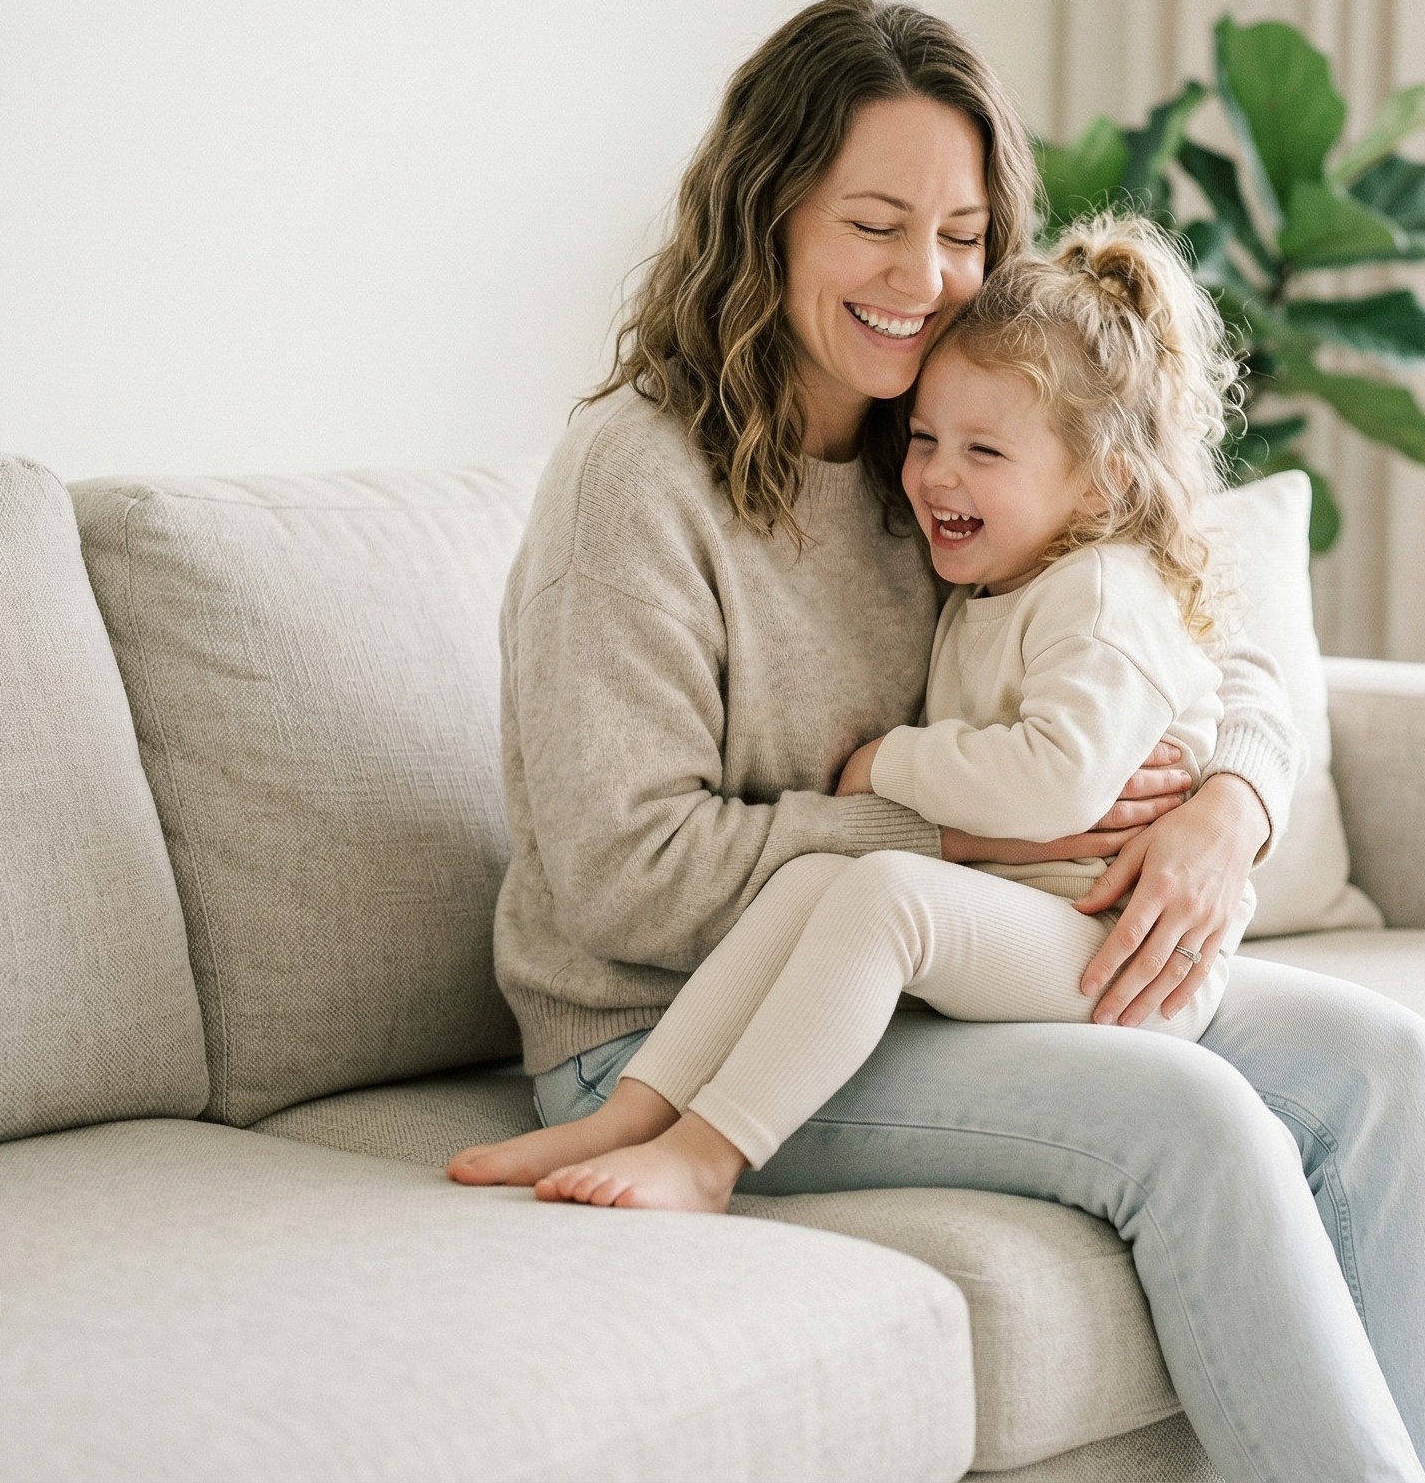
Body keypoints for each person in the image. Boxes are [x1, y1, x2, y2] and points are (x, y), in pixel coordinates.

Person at [447, 0, 1425, 1483]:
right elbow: (625, 875)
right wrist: (959, 834)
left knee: (1387, 1071)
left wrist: (1227, 808)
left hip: (944, 975)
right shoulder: (638, 479)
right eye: (876, 224)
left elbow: (1207, 617)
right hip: (674, 1037)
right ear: (769, 217)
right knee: (1190, 1123)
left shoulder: (956, 433)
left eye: (961, 234)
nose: (926, 278)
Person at [493, 214, 1261, 1213]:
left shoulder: (1102, 594)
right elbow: (631, 869)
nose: (937, 473)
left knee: (884, 893)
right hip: (1046, 921)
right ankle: (637, 1107)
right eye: (929, 440)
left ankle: (707, 1156)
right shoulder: (1004, 567)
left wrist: (884, 765)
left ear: (1106, 476)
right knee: (819, 874)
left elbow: (1055, 782)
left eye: (984, 449)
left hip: (1121, 949)